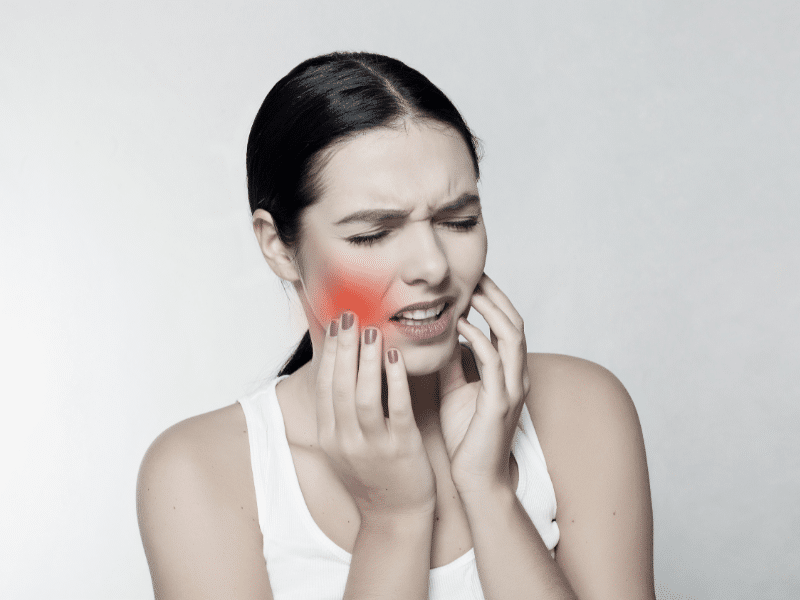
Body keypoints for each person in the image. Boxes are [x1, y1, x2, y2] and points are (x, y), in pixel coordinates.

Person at [136, 51, 655, 600]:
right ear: (278, 247)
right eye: (373, 234)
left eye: (459, 221)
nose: (433, 266)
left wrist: (490, 493)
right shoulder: (200, 473)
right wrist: (394, 521)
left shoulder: (580, 407)